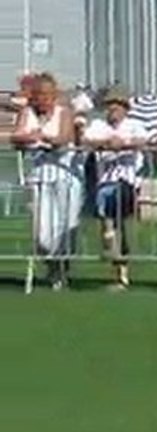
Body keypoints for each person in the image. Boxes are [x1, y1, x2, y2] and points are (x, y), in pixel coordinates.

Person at [10, 72, 83, 290]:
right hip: (39, 177)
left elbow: (64, 138)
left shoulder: (64, 112)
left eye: (47, 95)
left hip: (65, 176)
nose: (43, 99)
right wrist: (31, 138)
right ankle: (52, 265)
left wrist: (42, 138)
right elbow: (16, 137)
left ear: (55, 95)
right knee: (42, 233)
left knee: (66, 226)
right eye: (39, 95)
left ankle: (61, 270)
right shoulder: (27, 113)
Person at [82, 85, 149, 290]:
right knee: (107, 211)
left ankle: (122, 272)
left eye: (117, 106)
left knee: (121, 226)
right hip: (104, 182)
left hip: (127, 183)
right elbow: (86, 139)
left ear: (125, 108)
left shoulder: (133, 125)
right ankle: (116, 264)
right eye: (110, 106)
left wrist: (125, 142)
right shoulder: (99, 125)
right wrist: (106, 142)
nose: (113, 110)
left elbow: (145, 140)